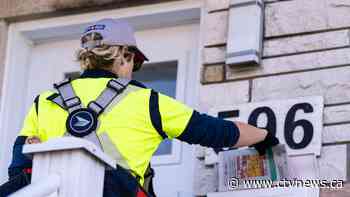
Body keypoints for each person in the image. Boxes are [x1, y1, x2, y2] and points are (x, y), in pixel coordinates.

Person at [0, 18, 279, 197]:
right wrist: (264, 136)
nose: (133, 69)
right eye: (135, 62)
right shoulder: (146, 101)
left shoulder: (45, 102)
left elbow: (18, 167)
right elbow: (216, 132)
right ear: (125, 55)